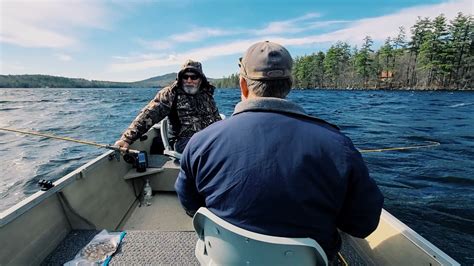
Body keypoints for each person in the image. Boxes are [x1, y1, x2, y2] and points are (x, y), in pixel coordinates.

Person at [175, 41, 384, 261]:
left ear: (243, 86)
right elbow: (363, 225)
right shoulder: (338, 147)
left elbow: (190, 205)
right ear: (289, 85)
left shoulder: (200, 142)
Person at [114, 59, 221, 153]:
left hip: (209, 139)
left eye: (194, 77)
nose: (189, 80)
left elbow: (218, 120)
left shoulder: (207, 95)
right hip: (183, 142)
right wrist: (126, 139)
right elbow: (148, 115)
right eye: (185, 77)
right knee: (212, 152)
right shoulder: (170, 94)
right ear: (180, 78)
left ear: (200, 79)